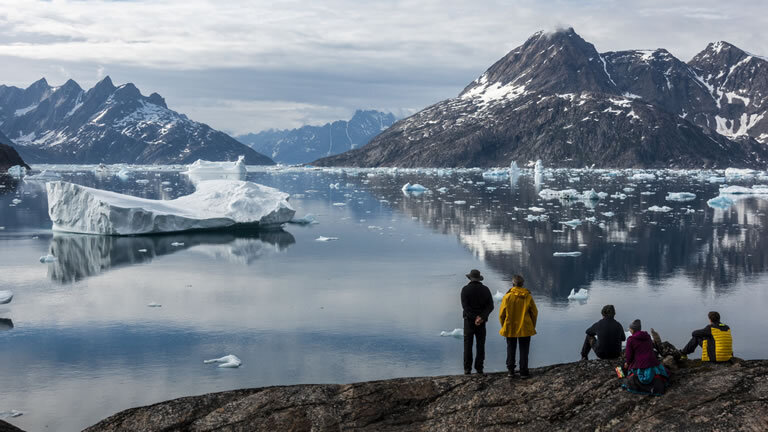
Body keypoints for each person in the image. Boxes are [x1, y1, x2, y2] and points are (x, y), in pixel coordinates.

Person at [498, 274, 538, 378]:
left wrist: (504, 326)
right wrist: (532, 326)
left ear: (513, 284)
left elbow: (502, 314)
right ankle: (523, 372)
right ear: (522, 284)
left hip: (510, 327)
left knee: (511, 348)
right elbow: (534, 312)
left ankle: (511, 371)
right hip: (525, 327)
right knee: (524, 349)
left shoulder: (507, 296)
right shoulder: (528, 296)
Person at [623, 319, 670, 395]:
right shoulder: (647, 337)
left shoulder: (631, 340)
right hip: (653, 363)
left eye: (630, 329)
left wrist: (627, 363)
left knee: (623, 368)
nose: (630, 330)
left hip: (640, 365)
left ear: (632, 330)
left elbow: (629, 356)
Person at [460, 269, 494, 375]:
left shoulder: (465, 289)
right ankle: (479, 368)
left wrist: (474, 318)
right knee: (480, 345)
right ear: (479, 278)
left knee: (468, 345)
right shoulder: (485, 289)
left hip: (469, 321)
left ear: (470, 278)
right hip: (482, 322)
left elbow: (465, 307)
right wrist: (481, 317)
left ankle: (467, 369)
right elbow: (490, 306)